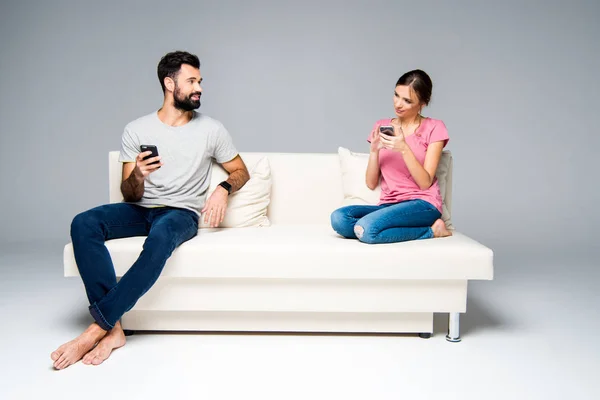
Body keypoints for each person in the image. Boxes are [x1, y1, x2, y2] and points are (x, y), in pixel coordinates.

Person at [51, 51, 250, 370]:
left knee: (159, 240)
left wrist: (222, 189)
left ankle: (95, 329)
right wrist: (139, 175)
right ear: (170, 83)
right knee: (84, 223)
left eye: (200, 81)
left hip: (181, 213)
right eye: (192, 81)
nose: (199, 87)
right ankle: (113, 328)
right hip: (141, 209)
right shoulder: (137, 129)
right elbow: (127, 192)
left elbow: (241, 170)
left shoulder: (212, 129)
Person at [331, 69, 452, 244]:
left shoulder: (434, 127)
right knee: (339, 218)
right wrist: (374, 151)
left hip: (423, 205)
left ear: (422, 104)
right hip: (389, 205)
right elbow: (371, 183)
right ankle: (377, 227)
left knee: (367, 229)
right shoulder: (382, 125)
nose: (398, 104)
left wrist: (404, 148)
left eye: (407, 100)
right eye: (396, 95)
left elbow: (425, 182)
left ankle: (431, 231)